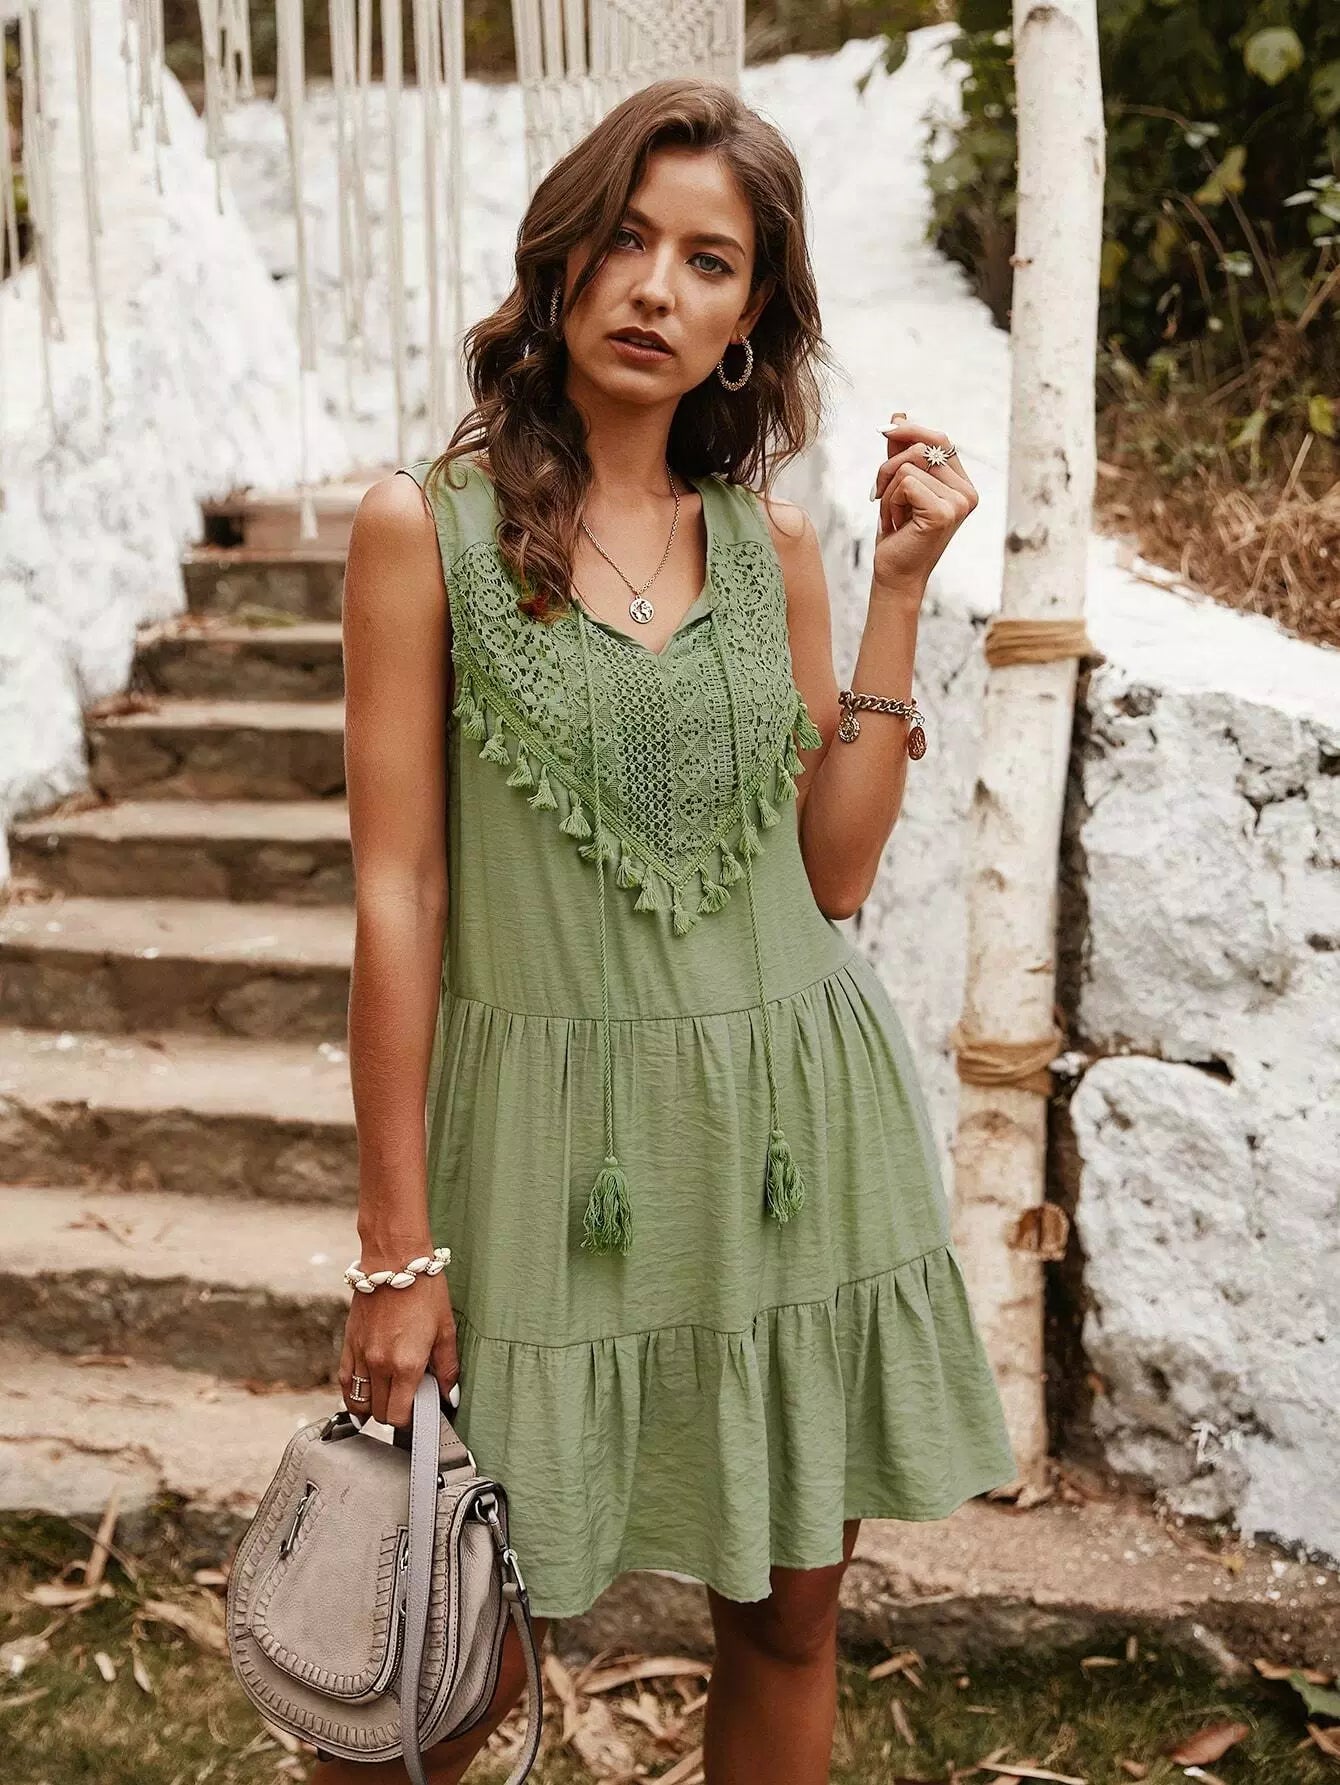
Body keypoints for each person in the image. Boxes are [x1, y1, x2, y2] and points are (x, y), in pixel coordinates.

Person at [328, 75, 1015, 1785]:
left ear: (749, 318)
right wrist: (397, 1249)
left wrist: (898, 591)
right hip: (546, 1156)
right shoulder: (425, 530)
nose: (656, 288)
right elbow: (399, 892)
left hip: (788, 1137)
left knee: (787, 1621)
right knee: (438, 1661)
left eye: (710, 262)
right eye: (626, 240)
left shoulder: (774, 541)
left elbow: (833, 873)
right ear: (560, 262)